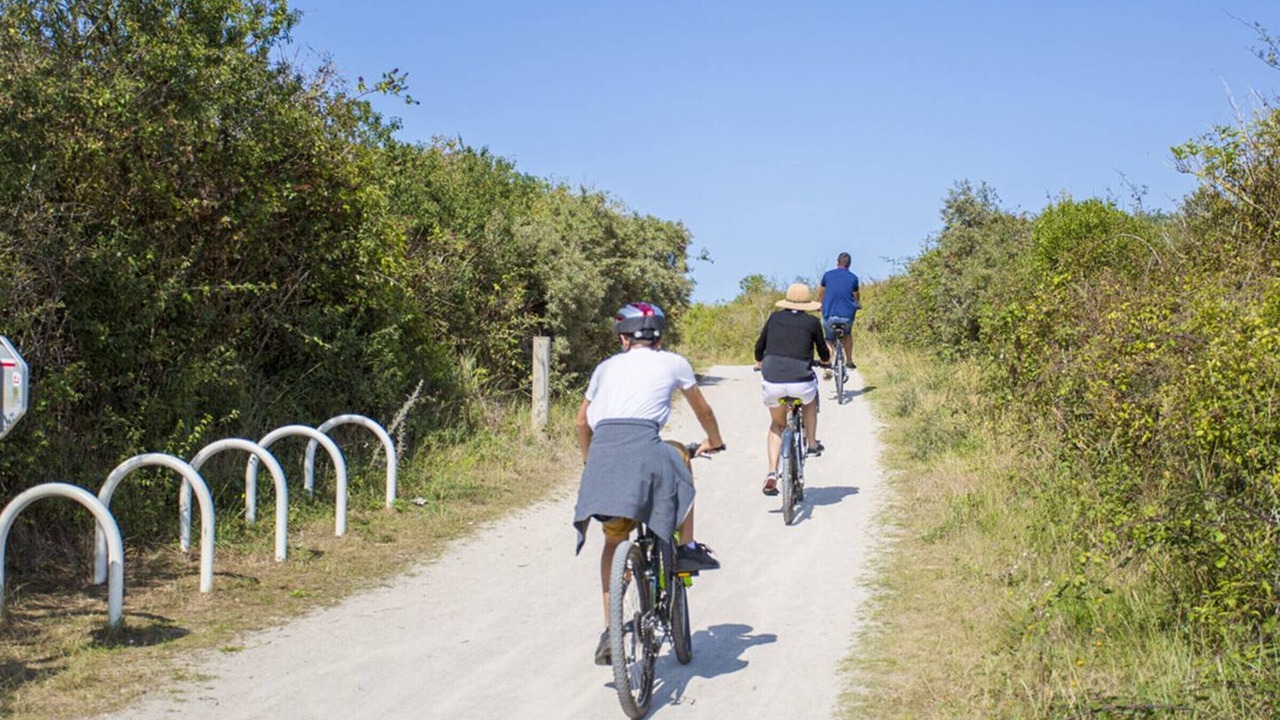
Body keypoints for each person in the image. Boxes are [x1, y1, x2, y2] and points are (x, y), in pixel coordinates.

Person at [572, 301, 727, 666]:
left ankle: (611, 628)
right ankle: (686, 546)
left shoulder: (604, 368)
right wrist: (715, 440)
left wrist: (589, 461)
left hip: (604, 457)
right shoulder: (674, 362)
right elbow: (703, 411)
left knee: (614, 537)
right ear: (658, 336)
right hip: (645, 447)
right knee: (681, 459)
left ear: (624, 339)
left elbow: (582, 422)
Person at [753, 283, 830, 496]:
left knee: (777, 425)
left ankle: (771, 473)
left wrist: (759, 362)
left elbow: (760, 347)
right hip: (800, 381)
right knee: (810, 399)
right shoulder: (813, 322)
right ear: (807, 304)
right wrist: (825, 361)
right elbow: (823, 350)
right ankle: (812, 442)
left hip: (773, 381)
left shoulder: (774, 319)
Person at [816, 251, 861, 380]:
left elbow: (822, 292)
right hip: (847, 316)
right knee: (847, 334)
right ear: (849, 265)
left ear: (837, 263)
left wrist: (820, 304)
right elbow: (856, 294)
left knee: (829, 339)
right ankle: (849, 361)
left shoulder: (828, 275)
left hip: (829, 314)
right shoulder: (853, 278)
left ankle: (827, 364)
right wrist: (857, 304)